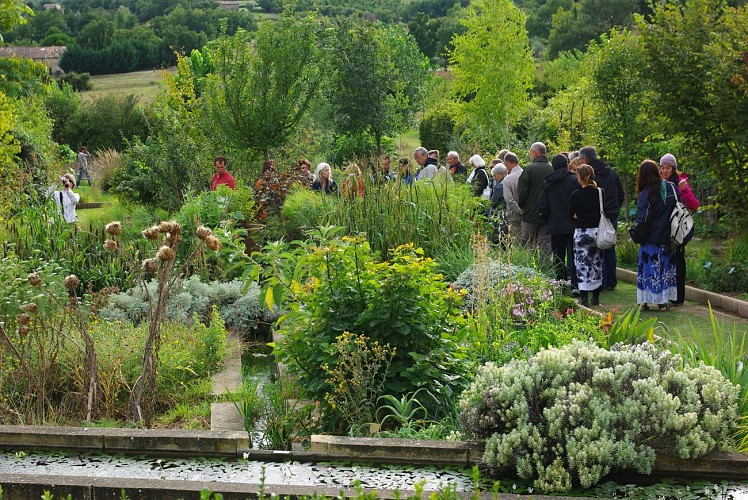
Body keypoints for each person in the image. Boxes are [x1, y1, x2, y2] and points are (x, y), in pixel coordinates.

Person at [635, 159, 679, 312]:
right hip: (668, 237)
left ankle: (645, 301)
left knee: (649, 270)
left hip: (651, 239)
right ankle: (663, 302)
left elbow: (642, 219)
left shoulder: (645, 193)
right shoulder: (671, 187)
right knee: (665, 269)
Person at [578, 146, 624, 291]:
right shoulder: (611, 172)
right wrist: (615, 209)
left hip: (597, 216)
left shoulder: (590, 174)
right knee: (609, 245)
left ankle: (600, 282)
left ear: (585, 159)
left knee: (597, 248)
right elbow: (620, 193)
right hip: (612, 215)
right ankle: (611, 281)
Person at [659, 153, 699, 306]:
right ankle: (670, 294)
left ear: (673, 168)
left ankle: (678, 297)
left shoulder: (680, 183)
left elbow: (693, 205)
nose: (665, 170)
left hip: (678, 228)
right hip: (665, 228)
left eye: (668, 167)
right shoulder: (660, 183)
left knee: (678, 261)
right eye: (662, 167)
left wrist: (685, 191)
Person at [539, 154, 580, 291]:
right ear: (567, 164)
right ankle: (576, 283)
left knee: (558, 256)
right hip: (573, 223)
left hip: (555, 224)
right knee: (575, 255)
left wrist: (548, 219)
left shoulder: (548, 182)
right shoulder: (574, 180)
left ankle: (560, 283)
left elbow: (543, 206)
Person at [569, 164, 603, 306]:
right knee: (596, 263)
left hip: (582, 232)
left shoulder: (575, 195)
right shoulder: (600, 192)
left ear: (580, 177)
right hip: (596, 231)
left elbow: (571, 214)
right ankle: (596, 296)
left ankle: (584, 296)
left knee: (582, 264)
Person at [517, 142, 553, 256]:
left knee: (526, 245)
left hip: (530, 214)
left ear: (535, 153)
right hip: (548, 214)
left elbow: (522, 193)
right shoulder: (552, 169)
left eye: (530, 153)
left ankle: (525, 270)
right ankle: (545, 271)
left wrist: (523, 207)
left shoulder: (529, 169)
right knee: (545, 245)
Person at [502, 152, 524, 240]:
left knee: (517, 244)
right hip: (529, 216)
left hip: (514, 216)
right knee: (530, 243)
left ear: (508, 163)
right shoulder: (526, 174)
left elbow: (509, 199)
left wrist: (519, 211)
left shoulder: (508, 179)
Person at [489, 163, 508, 244]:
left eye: (495, 175)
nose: (494, 178)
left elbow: (493, 203)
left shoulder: (499, 187)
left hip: (499, 214)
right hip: (509, 212)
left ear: (500, 174)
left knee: (498, 236)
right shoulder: (509, 181)